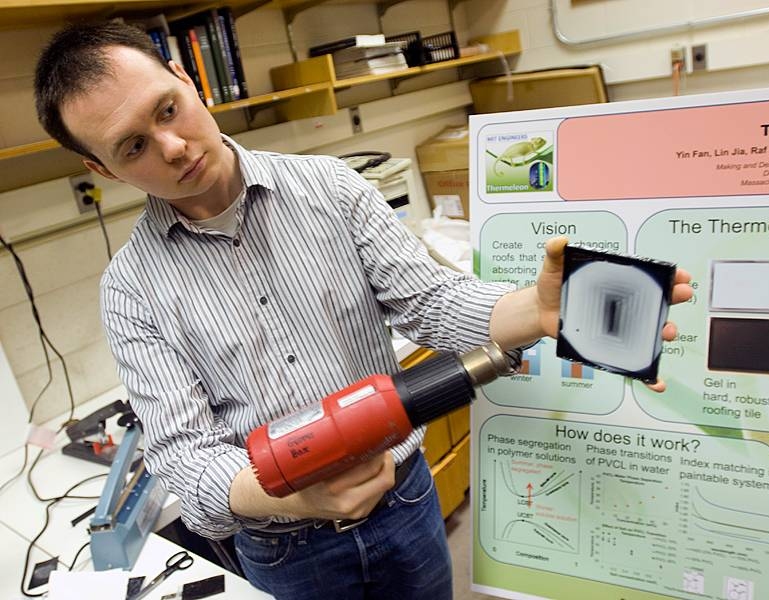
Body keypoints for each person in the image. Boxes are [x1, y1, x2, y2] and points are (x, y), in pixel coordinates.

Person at [34, 22, 692, 600]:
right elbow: (183, 454)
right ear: (105, 169)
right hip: (285, 548)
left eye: (168, 109)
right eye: (133, 146)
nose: (172, 146)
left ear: (185, 79)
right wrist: (289, 493)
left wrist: (536, 309)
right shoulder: (130, 290)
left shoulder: (332, 188)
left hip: (406, 501)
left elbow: (431, 304)